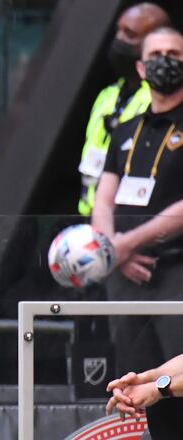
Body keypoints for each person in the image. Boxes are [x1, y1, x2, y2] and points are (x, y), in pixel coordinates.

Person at [92, 26, 183, 437]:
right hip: (126, 278)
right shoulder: (125, 130)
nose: (166, 60)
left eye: (175, 53)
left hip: (175, 272)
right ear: (141, 67)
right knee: (144, 380)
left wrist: (127, 244)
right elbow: (103, 199)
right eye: (157, 53)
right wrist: (113, 252)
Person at [77, 3, 169, 216]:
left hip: (135, 219)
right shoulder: (108, 95)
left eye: (129, 34)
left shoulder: (159, 100)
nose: (119, 40)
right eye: (118, 30)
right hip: (92, 214)